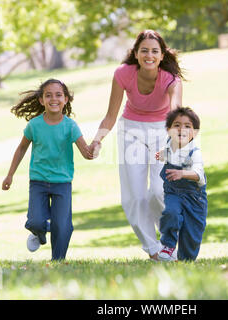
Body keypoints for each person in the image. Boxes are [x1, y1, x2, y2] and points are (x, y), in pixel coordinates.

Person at [89, 30, 184, 261]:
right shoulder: (123, 74)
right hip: (131, 130)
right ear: (136, 53)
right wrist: (97, 139)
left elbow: (175, 114)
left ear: (162, 55)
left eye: (154, 51)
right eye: (144, 50)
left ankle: (169, 241)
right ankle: (153, 250)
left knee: (160, 191)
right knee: (134, 196)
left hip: (162, 131)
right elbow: (111, 115)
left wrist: (173, 143)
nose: (149, 55)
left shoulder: (171, 80)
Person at [2, 79, 96, 261]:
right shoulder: (34, 125)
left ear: (66, 99)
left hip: (62, 183)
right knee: (36, 221)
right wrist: (10, 175)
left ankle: (57, 260)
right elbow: (21, 148)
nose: (54, 99)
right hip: (38, 181)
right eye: (48, 95)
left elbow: (86, 153)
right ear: (41, 100)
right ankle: (39, 233)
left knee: (62, 225)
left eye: (59, 95)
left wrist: (92, 150)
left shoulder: (70, 126)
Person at [155, 107, 207, 262]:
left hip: (194, 198)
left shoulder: (195, 153)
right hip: (174, 193)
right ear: (168, 129)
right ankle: (168, 245)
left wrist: (182, 173)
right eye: (176, 125)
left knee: (191, 235)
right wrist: (162, 154)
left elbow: (199, 175)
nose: (181, 129)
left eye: (187, 126)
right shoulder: (170, 144)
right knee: (171, 212)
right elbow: (168, 152)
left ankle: (186, 258)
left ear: (195, 132)